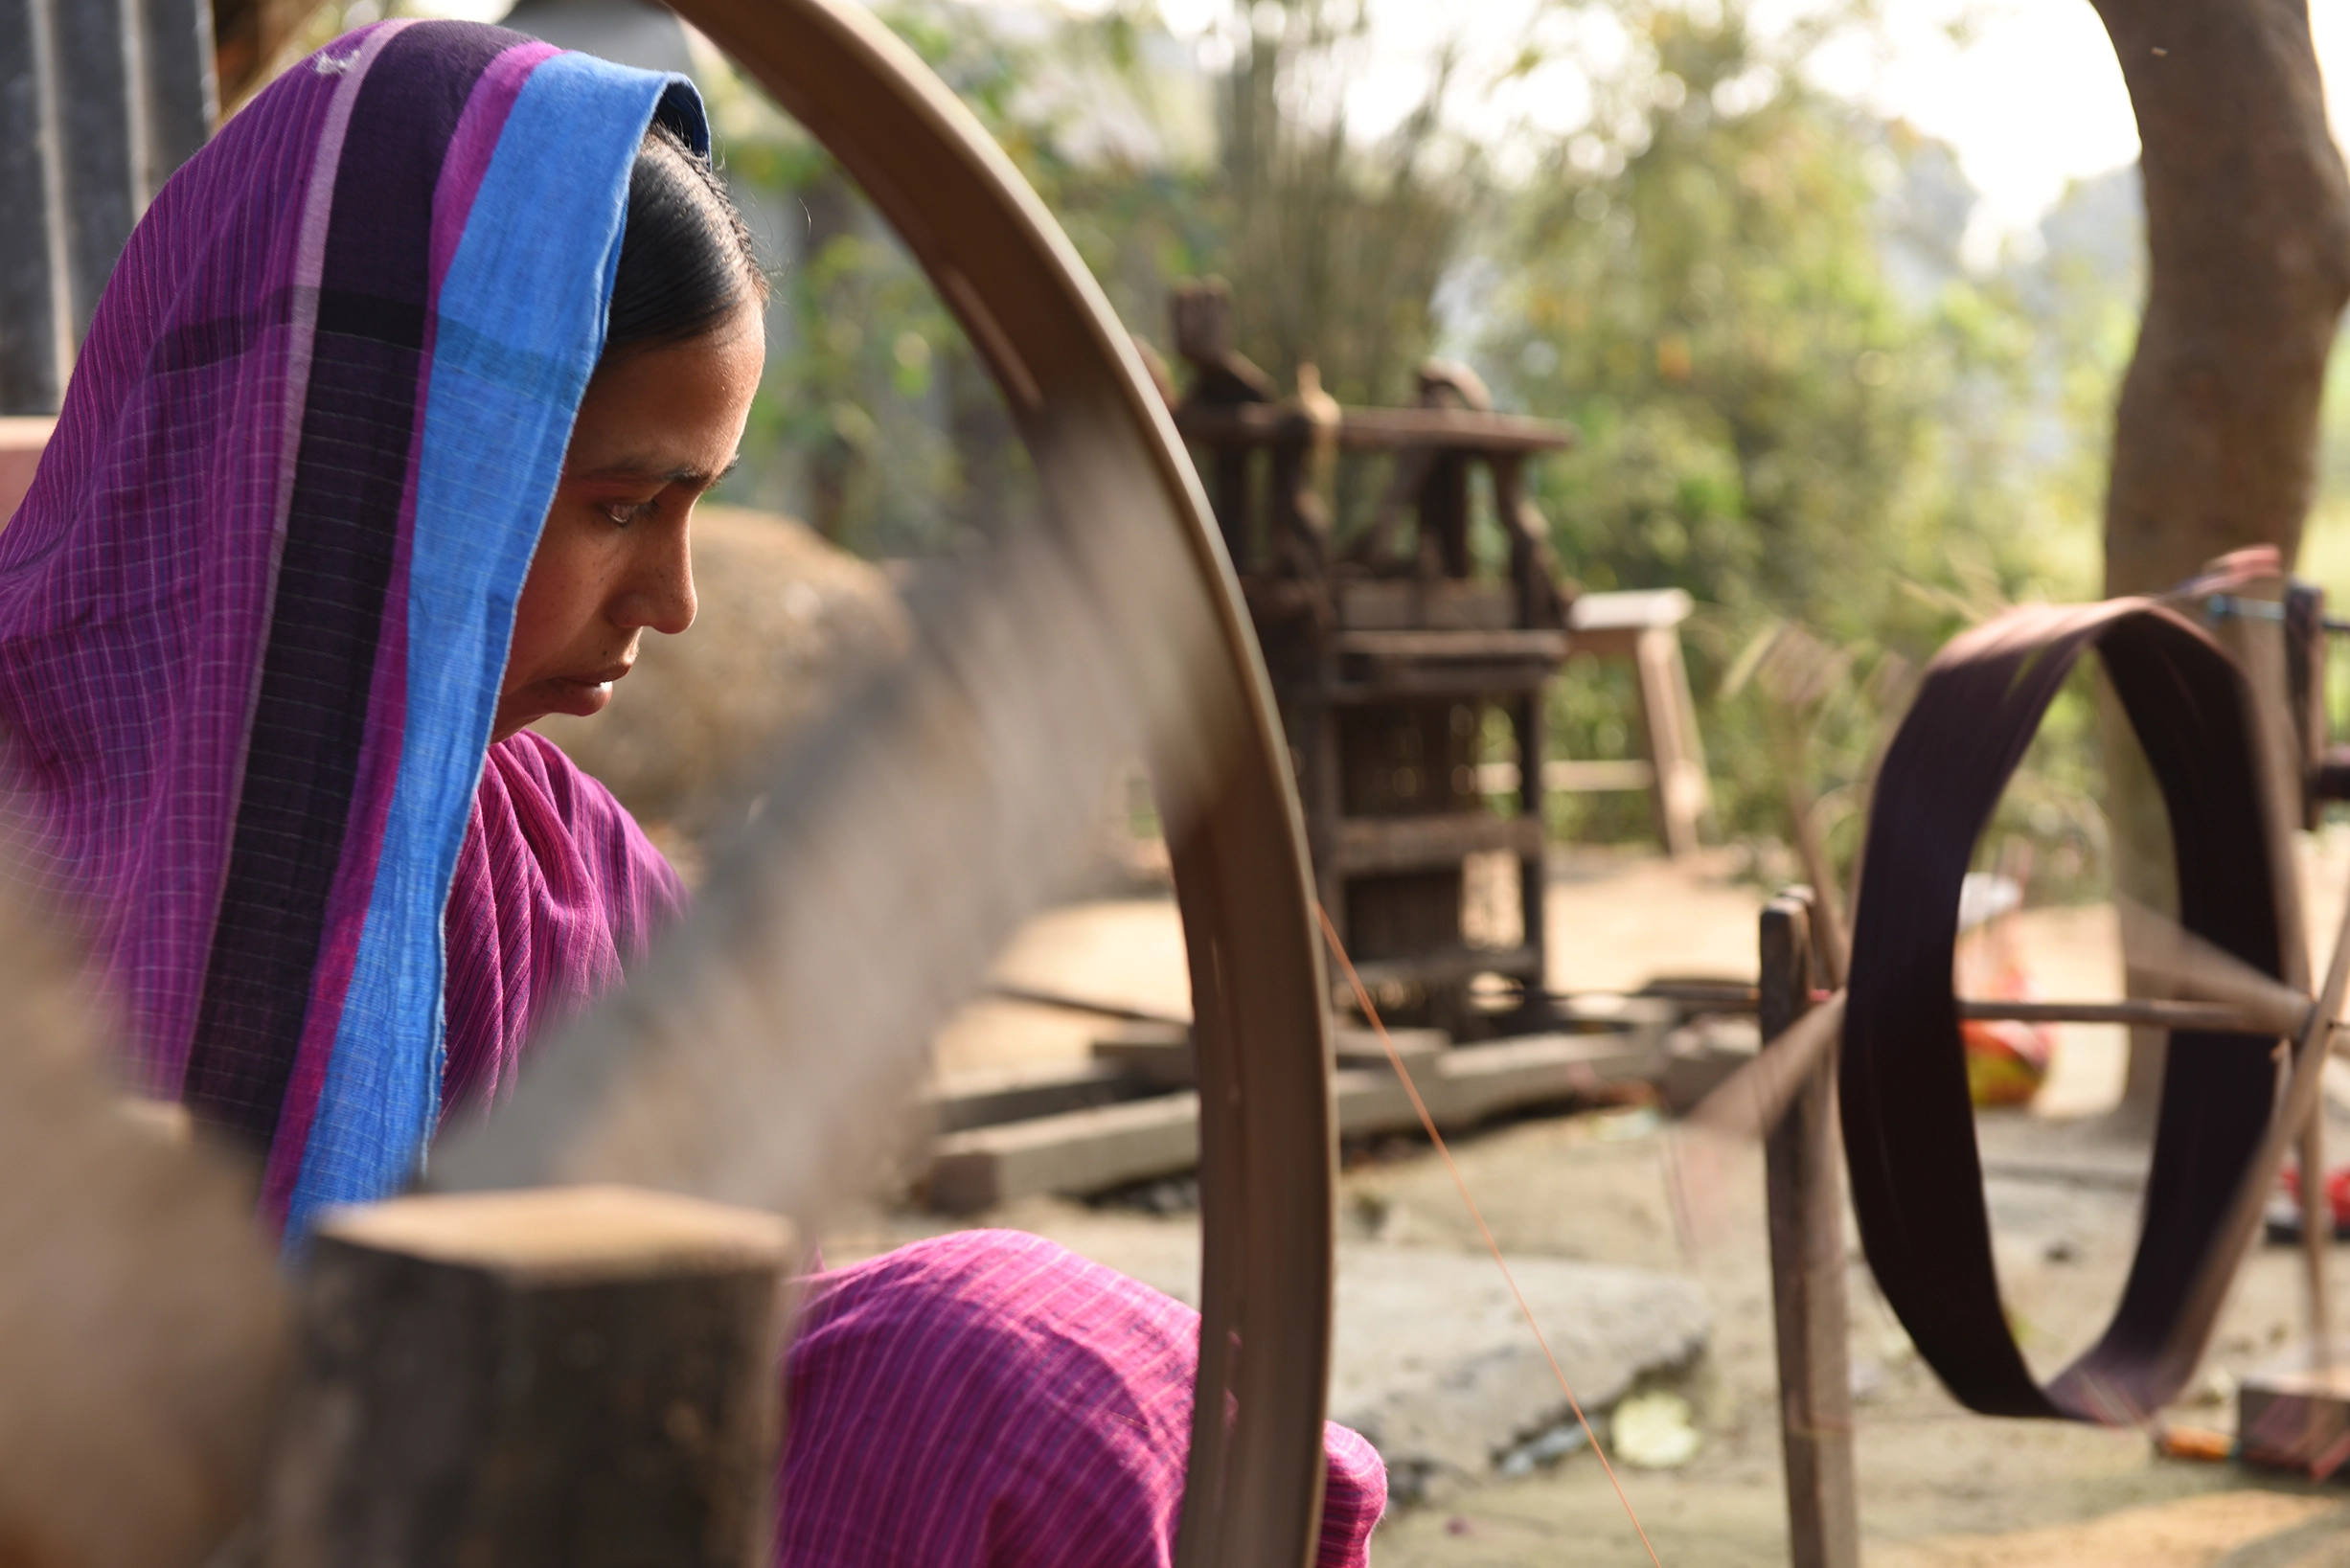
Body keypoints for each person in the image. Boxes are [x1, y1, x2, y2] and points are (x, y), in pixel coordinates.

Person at [0, 19, 1383, 1564]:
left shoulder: (560, 870)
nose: (673, 598)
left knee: (1028, 1376)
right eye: (616, 505)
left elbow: (682, 1347)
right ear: (400, 462)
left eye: (695, 509)